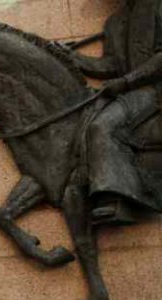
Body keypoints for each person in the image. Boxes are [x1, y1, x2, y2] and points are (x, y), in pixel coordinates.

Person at [68, 0, 162, 226]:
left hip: (155, 89)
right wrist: (73, 57)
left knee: (102, 126)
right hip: (133, 90)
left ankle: (120, 198)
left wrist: (125, 82)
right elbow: (111, 64)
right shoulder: (115, 22)